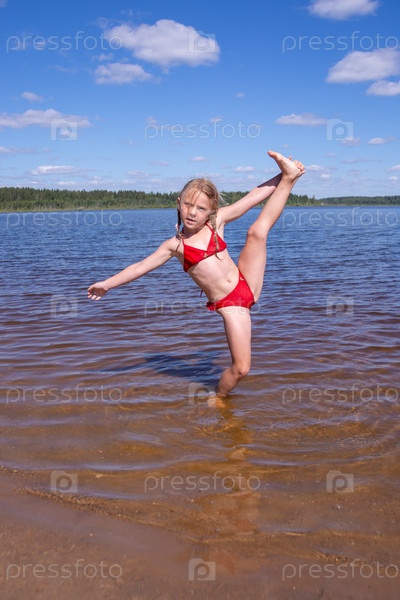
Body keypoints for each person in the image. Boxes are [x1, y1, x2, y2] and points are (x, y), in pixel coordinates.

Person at [88, 151, 305, 402]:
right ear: (178, 203)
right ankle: (219, 397)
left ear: (211, 210)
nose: (192, 212)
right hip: (232, 305)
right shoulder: (175, 246)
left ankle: (290, 177)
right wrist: (107, 284)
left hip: (246, 280)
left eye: (201, 208)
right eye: (188, 205)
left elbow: (253, 197)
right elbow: (139, 267)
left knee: (257, 231)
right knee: (241, 368)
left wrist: (281, 175)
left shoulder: (216, 222)